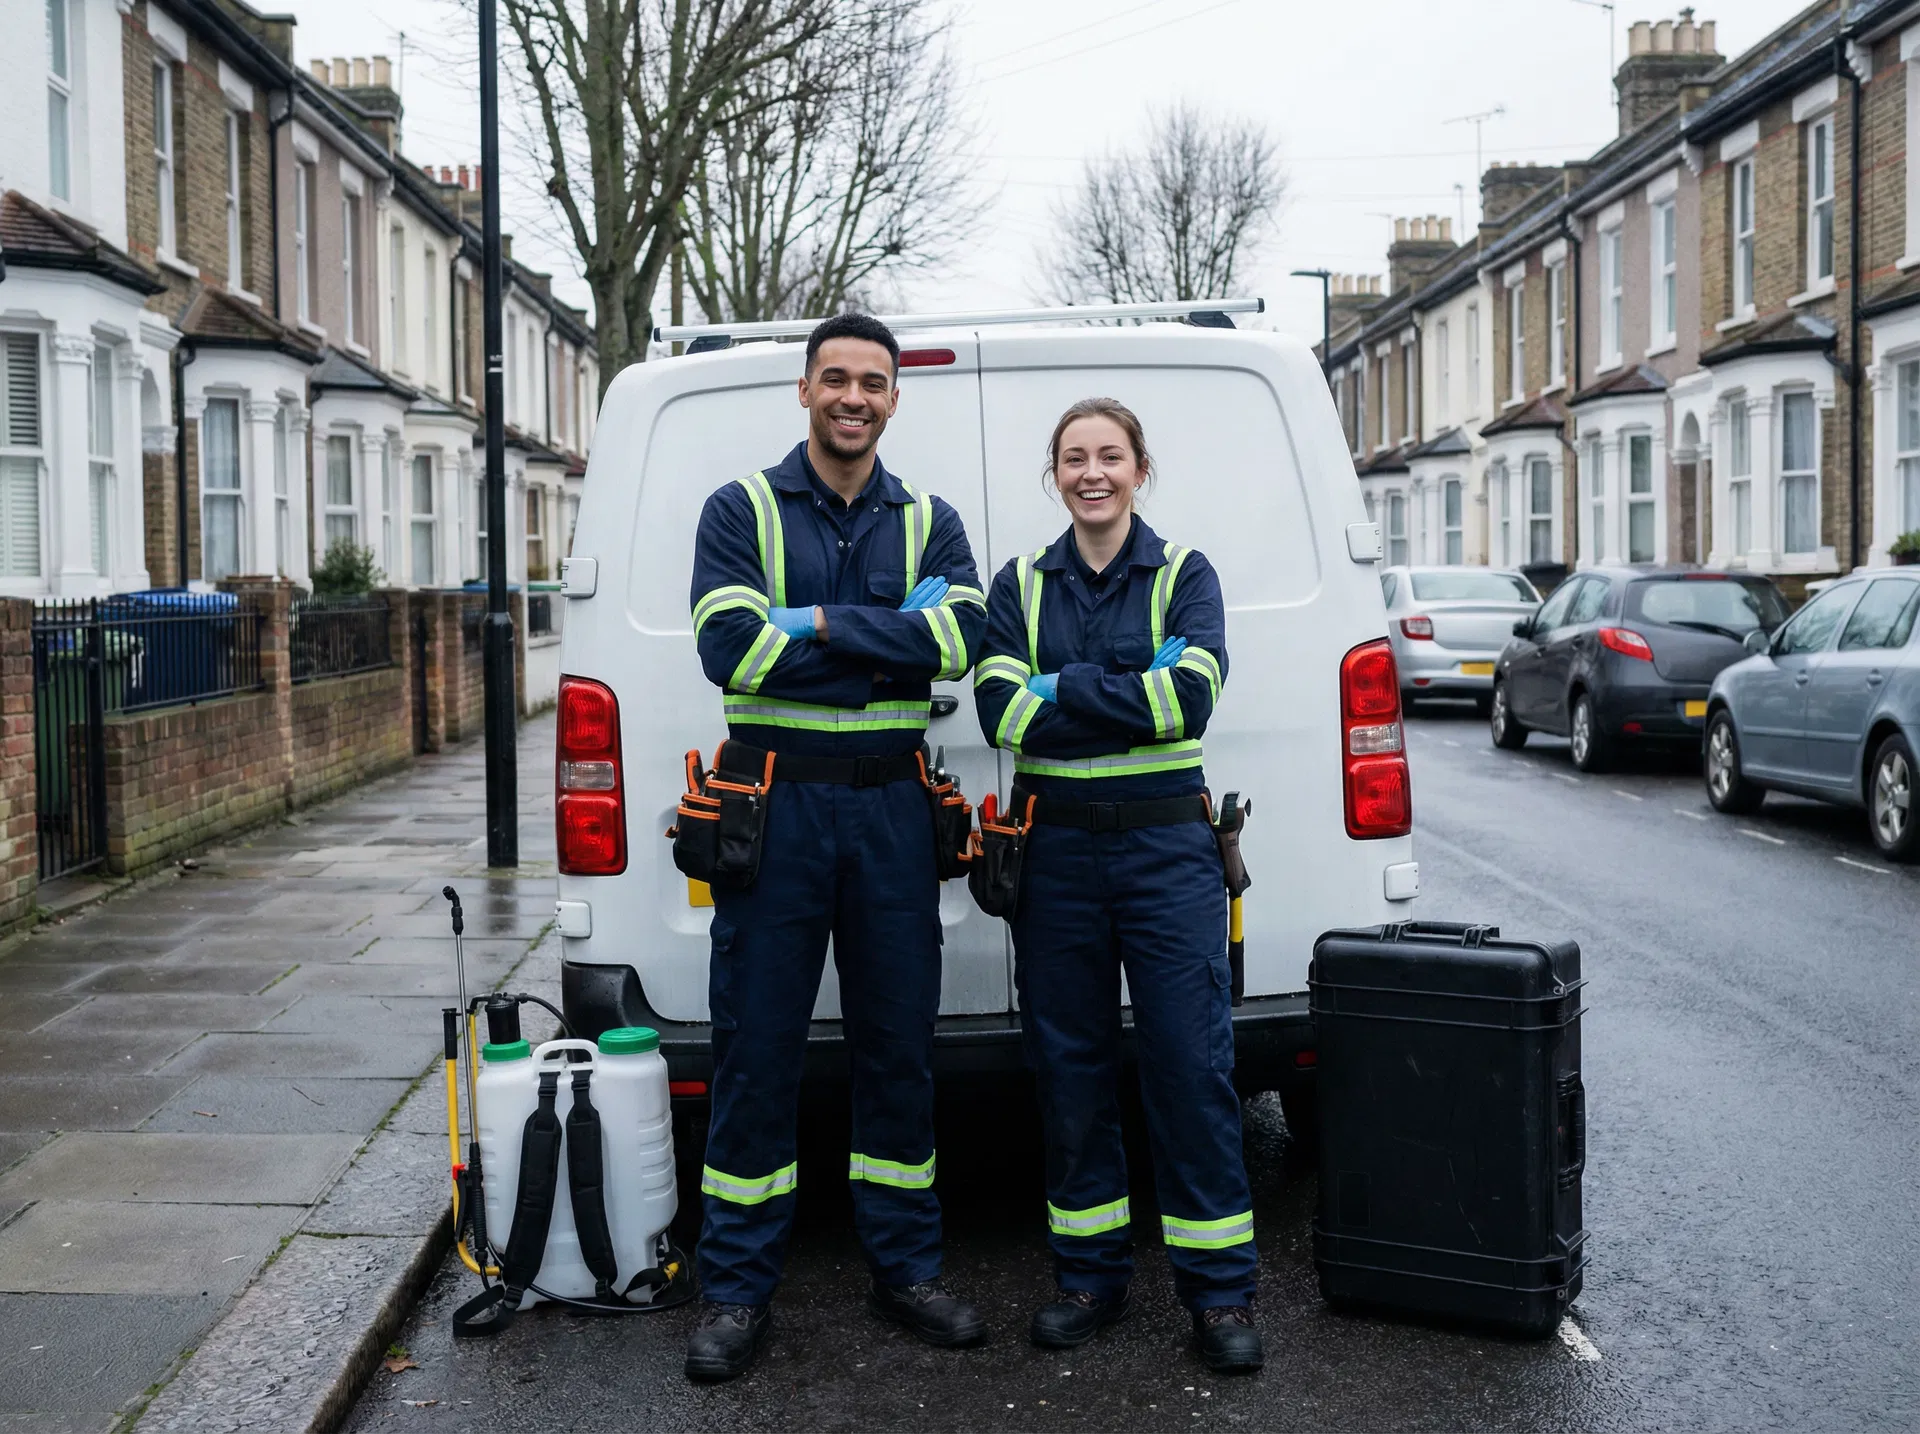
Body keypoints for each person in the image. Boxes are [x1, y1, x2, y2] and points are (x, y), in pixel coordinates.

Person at [682, 313, 989, 1381]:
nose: (854, 397)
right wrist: (878, 642)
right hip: (778, 810)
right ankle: (734, 1290)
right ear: (804, 392)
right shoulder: (742, 508)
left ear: (894, 400)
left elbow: (959, 640)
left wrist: (807, 628)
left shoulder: (931, 519)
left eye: (873, 383)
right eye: (836, 380)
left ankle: (907, 1269)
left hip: (895, 814)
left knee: (898, 1047)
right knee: (756, 1050)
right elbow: (730, 644)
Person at [972, 397, 1261, 1373]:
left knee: (1191, 1066)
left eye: (1110, 456)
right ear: (1053, 476)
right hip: (1055, 858)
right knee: (1071, 1070)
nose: (1092, 472)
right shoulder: (1016, 583)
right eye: (1072, 458)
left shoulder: (1187, 574)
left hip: (1169, 855)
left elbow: (1191, 698)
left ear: (1142, 468)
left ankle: (1219, 1296)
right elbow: (1003, 714)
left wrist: (1061, 689)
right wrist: (1125, 689)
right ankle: (1089, 1278)